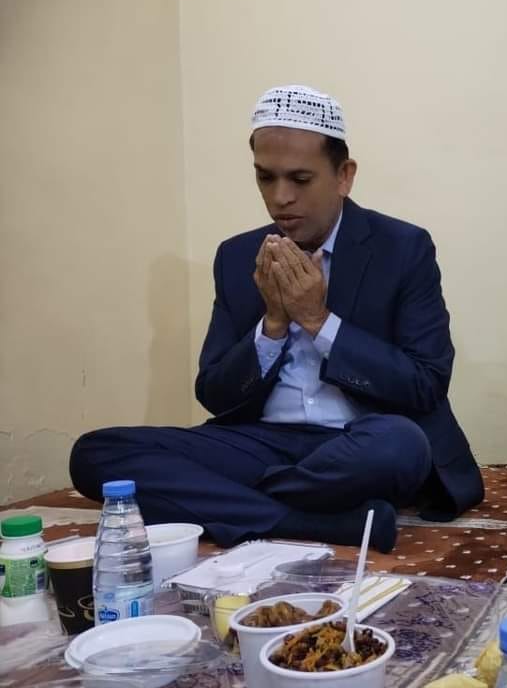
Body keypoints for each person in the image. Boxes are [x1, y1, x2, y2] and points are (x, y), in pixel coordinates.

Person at [70, 85, 484, 551]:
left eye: (300, 179)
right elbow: (214, 394)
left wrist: (317, 319)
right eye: (265, 178)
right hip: (261, 442)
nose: (280, 197)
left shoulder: (403, 248)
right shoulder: (238, 256)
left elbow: (426, 384)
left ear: (344, 176)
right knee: (95, 454)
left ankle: (228, 501)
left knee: (401, 443)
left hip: (358, 445)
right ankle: (311, 522)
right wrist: (272, 324)